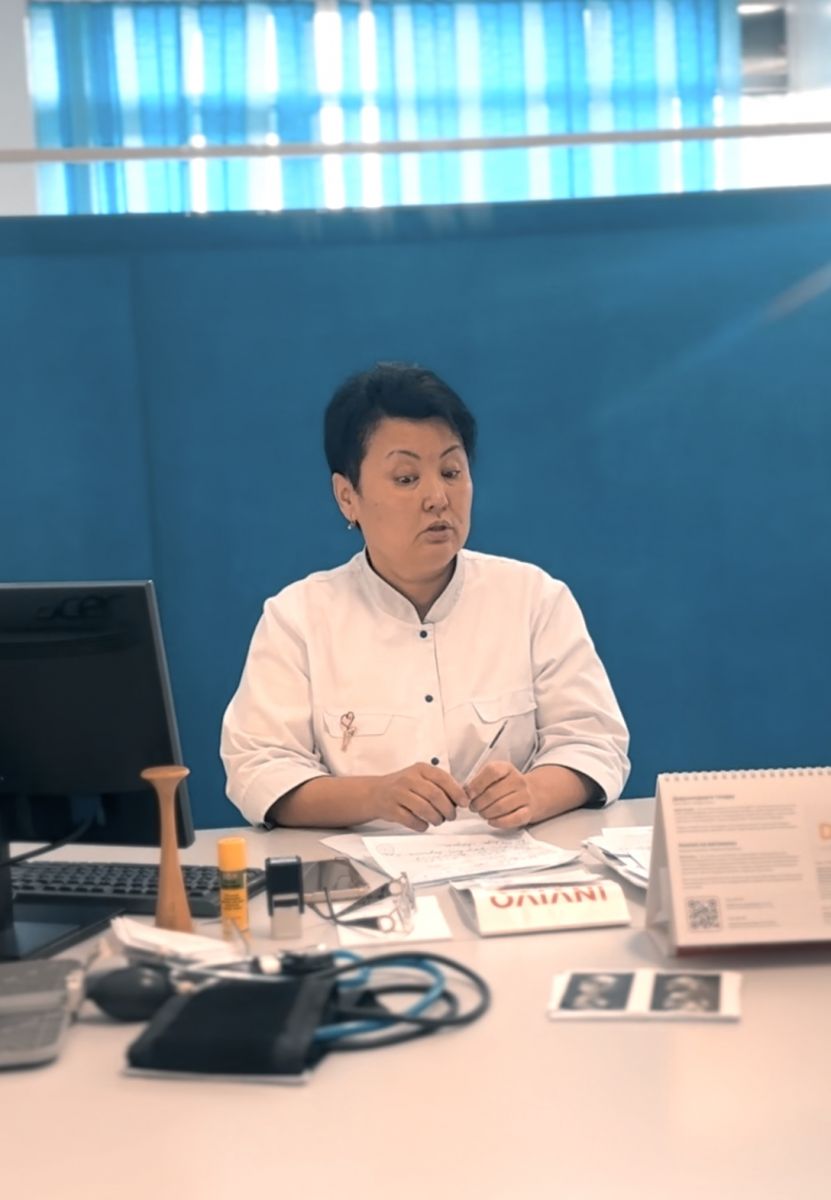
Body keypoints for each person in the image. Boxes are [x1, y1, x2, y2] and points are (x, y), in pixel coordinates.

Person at [221, 362, 629, 832]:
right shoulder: (298, 618)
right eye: (406, 479)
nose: (438, 497)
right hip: (359, 871)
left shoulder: (533, 599)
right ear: (347, 496)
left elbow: (594, 742)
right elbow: (259, 769)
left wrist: (533, 793)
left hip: (511, 864)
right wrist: (374, 796)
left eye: (452, 471)